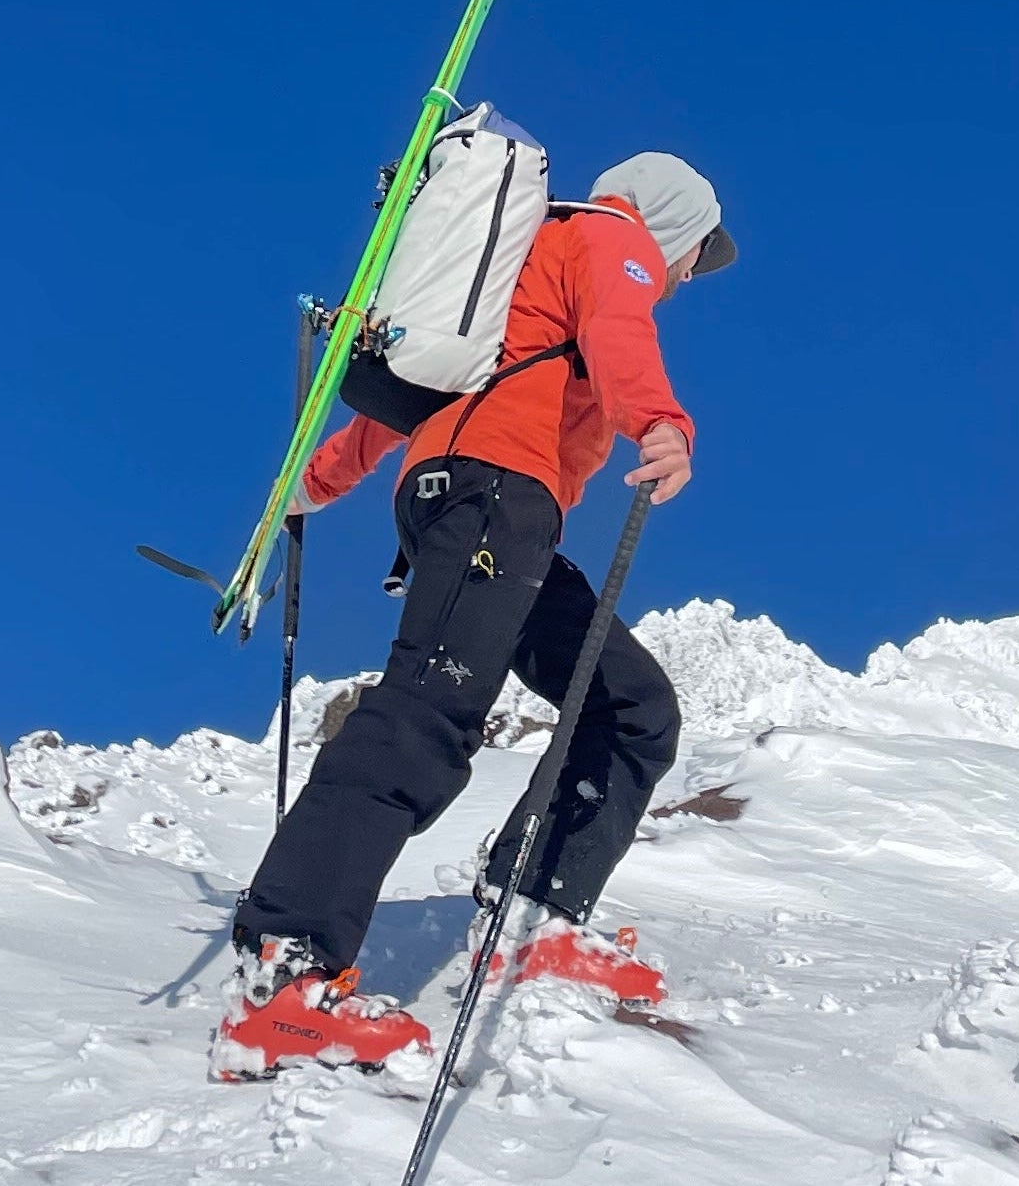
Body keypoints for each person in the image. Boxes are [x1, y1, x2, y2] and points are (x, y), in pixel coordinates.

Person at [209, 152, 736, 1081]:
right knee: (425, 713)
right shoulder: (612, 238)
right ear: (671, 222)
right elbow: (620, 330)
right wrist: (661, 421)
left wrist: (316, 484)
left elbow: (418, 396)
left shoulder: (513, 269)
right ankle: (285, 977)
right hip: (500, 494)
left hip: (477, 499)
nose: (691, 271)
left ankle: (534, 914)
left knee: (629, 706)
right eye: (696, 249)